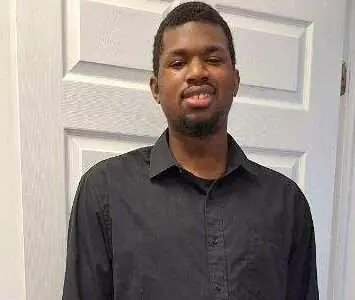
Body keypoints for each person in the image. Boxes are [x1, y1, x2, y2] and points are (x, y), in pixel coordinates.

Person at [62, 1, 319, 299]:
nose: (197, 72)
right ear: (156, 88)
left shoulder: (286, 204)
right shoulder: (104, 191)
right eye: (178, 63)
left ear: (235, 81)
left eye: (213, 59)